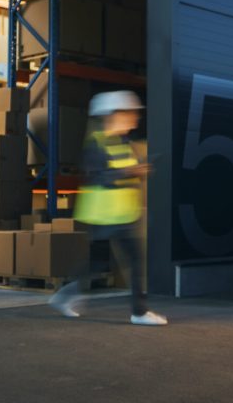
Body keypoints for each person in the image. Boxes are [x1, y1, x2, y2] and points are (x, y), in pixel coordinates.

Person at [49, 91, 167, 326]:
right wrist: (132, 172)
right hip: (104, 215)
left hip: (124, 214)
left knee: (101, 263)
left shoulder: (126, 144)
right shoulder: (96, 144)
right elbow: (99, 176)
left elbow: (124, 175)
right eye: (130, 114)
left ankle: (66, 296)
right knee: (126, 261)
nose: (134, 119)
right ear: (113, 115)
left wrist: (139, 174)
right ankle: (139, 312)